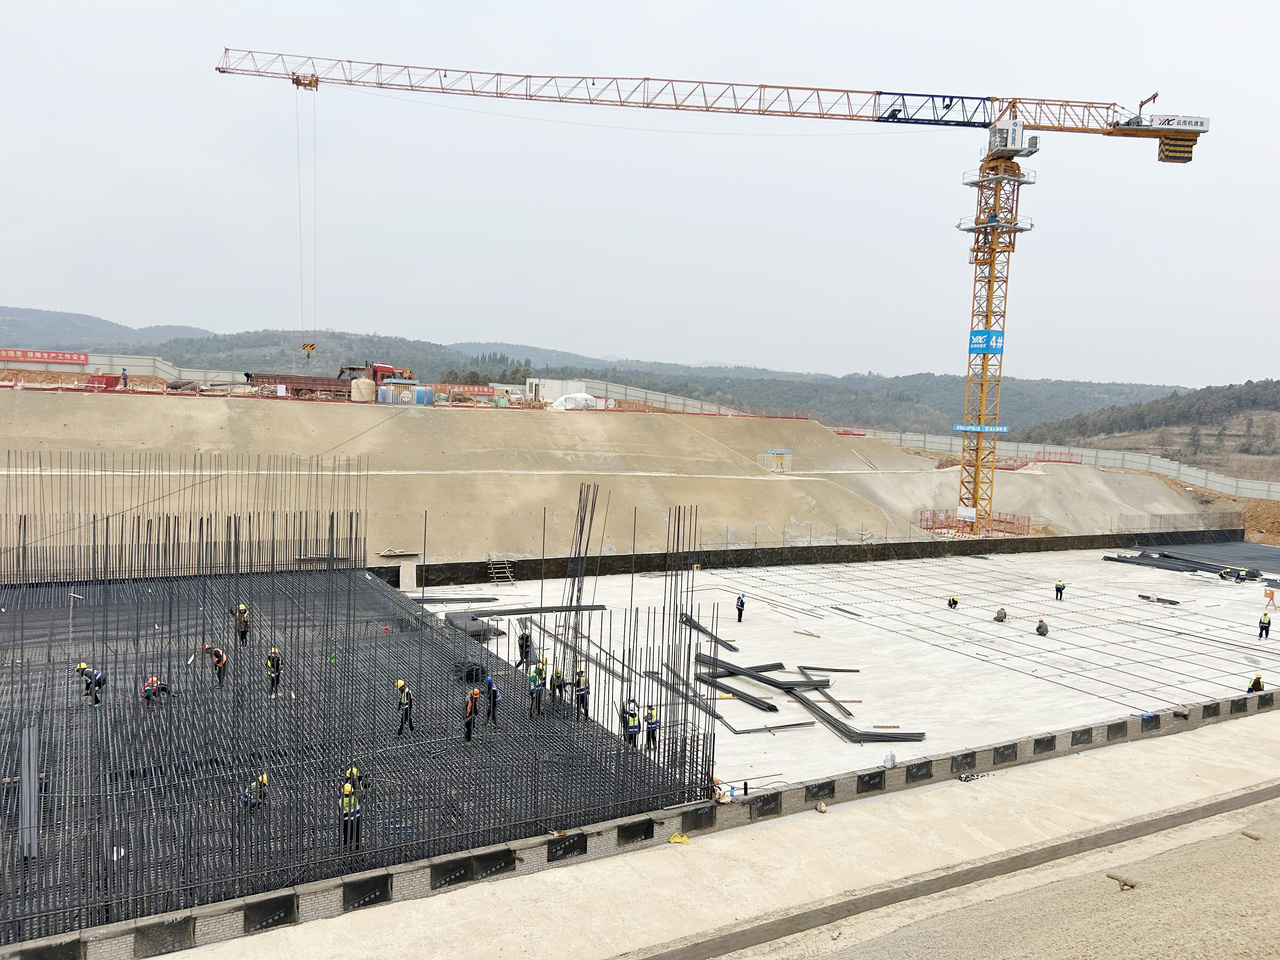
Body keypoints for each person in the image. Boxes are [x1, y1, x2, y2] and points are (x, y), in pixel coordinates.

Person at [341, 782, 361, 849]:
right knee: (357, 834)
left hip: (347, 821)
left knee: (347, 835)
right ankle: (358, 848)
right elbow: (361, 795)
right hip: (357, 819)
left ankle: (347, 848)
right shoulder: (355, 798)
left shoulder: (341, 801)